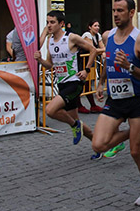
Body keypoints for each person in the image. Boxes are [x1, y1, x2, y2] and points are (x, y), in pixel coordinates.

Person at [92, 0, 140, 205]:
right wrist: (101, 83)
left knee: (136, 152)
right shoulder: (108, 36)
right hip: (116, 99)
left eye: (120, 10)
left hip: (137, 100)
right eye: (114, 10)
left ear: (131, 13)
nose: (116, 14)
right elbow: (108, 61)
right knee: (98, 145)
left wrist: (130, 67)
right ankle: (134, 133)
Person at [35, 11, 96, 144]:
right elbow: (49, 65)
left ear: (61, 23)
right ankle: (101, 144)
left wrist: (86, 70)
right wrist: (40, 60)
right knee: (75, 119)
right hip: (62, 84)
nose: (49, 25)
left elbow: (93, 50)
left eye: (52, 22)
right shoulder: (50, 41)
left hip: (74, 83)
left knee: (50, 110)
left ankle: (75, 126)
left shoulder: (71, 37)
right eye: (47, 22)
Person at [79, 20, 105, 114]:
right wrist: (102, 50)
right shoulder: (87, 35)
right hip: (82, 62)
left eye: (98, 25)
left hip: (90, 62)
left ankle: (93, 105)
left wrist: (102, 51)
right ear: (90, 27)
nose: (97, 27)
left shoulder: (98, 36)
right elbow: (93, 49)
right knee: (80, 83)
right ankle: (79, 105)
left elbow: (101, 48)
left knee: (88, 84)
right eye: (95, 25)